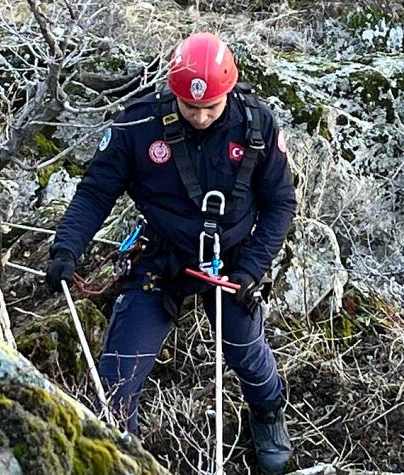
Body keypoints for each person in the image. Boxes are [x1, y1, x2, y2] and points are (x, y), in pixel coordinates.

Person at [45, 32, 296, 473]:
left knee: (247, 352)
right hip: (161, 256)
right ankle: (125, 457)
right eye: (189, 105)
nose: (200, 116)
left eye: (211, 107)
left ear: (229, 92)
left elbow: (280, 204)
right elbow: (96, 191)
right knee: (118, 378)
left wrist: (253, 268)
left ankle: (268, 414)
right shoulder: (140, 124)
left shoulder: (257, 125)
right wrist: (66, 248)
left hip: (232, 261)